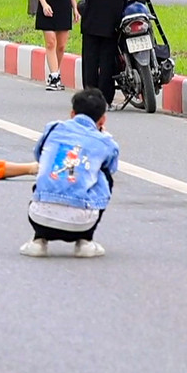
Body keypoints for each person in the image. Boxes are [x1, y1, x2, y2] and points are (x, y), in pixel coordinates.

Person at [19, 88, 119, 259]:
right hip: (81, 223)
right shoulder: (106, 142)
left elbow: (39, 156)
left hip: (39, 217)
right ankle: (85, 241)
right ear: (103, 119)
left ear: (72, 114)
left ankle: (38, 241)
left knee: (48, 172)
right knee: (104, 177)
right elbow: (110, 168)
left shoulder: (53, 128)